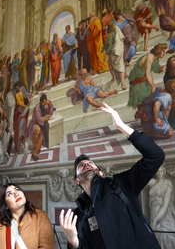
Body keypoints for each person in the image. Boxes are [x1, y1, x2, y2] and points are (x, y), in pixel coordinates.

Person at [59, 103, 165, 249]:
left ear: (100, 173)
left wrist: (121, 125)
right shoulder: (79, 214)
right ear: (77, 180)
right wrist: (72, 240)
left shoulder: (120, 185)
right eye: (81, 166)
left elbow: (155, 156)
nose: (86, 165)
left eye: (90, 163)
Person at [0, 183, 55, 249]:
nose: (16, 194)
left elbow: (48, 247)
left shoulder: (41, 217)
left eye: (17, 190)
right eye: (10, 194)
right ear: (6, 205)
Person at [147, 166, 175, 249]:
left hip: (163, 213)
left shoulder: (168, 187)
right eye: (157, 171)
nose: (159, 173)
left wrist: (156, 220)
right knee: (156, 235)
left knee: (165, 236)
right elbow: (141, 180)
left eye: (161, 171)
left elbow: (165, 205)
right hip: (153, 210)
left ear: (164, 172)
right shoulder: (153, 182)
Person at [127, 43, 167, 108]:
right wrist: (153, 86)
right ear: (159, 51)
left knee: (149, 96)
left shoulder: (156, 58)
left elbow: (154, 68)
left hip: (145, 79)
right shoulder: (150, 57)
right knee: (142, 98)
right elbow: (148, 72)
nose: (164, 53)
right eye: (163, 51)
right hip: (138, 79)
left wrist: (159, 69)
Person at [26, 94, 54, 161]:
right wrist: (45, 118)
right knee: (38, 130)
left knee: (41, 136)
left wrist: (50, 104)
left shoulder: (46, 105)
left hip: (42, 125)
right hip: (35, 124)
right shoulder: (37, 108)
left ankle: (35, 152)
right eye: (42, 103)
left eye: (45, 102)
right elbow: (38, 119)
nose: (43, 104)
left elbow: (51, 112)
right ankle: (35, 149)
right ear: (40, 102)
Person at [103, 20, 126, 90]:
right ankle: (123, 84)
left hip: (114, 52)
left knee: (109, 63)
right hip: (120, 50)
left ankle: (114, 76)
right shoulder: (117, 29)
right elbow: (122, 38)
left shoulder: (110, 35)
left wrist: (106, 53)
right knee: (121, 67)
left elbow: (109, 45)